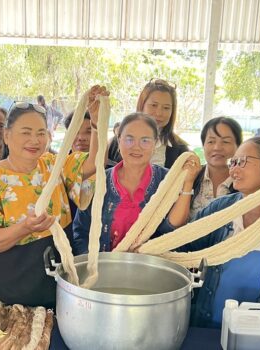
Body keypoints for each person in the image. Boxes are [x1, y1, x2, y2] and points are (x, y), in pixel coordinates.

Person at [0, 86, 107, 308]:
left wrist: (99, 122)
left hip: (52, 282)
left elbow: (93, 163)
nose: (34, 140)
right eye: (26, 132)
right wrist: (25, 227)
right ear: (7, 135)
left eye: (41, 133)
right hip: (7, 289)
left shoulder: (54, 164)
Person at [165, 137, 260, 328]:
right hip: (210, 326)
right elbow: (184, 247)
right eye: (233, 162)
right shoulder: (220, 209)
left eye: (242, 162)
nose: (234, 169)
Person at [72, 113, 201, 254]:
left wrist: (187, 183)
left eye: (145, 140)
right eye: (129, 139)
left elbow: (173, 229)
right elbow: (81, 232)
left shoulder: (169, 180)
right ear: (119, 140)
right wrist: (95, 267)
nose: (136, 147)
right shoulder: (94, 182)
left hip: (152, 269)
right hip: (103, 270)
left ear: (155, 143)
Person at [108, 79, 190, 168]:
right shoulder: (117, 141)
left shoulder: (181, 151)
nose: (159, 113)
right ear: (142, 106)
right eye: (154, 105)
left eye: (166, 108)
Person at [190, 117, 242, 218]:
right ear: (203, 145)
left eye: (226, 142)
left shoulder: (245, 181)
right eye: (211, 141)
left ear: (239, 147)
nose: (217, 147)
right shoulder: (191, 177)